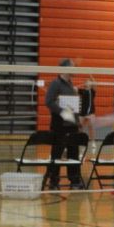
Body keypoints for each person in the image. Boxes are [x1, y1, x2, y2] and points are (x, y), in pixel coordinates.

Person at [44, 59, 85, 190]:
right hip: (59, 124)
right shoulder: (55, 84)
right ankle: (53, 181)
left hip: (72, 125)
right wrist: (63, 112)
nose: (75, 69)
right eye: (73, 67)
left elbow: (73, 107)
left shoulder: (71, 85)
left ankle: (74, 181)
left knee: (73, 153)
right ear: (65, 68)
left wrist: (77, 121)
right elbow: (49, 101)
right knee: (57, 153)